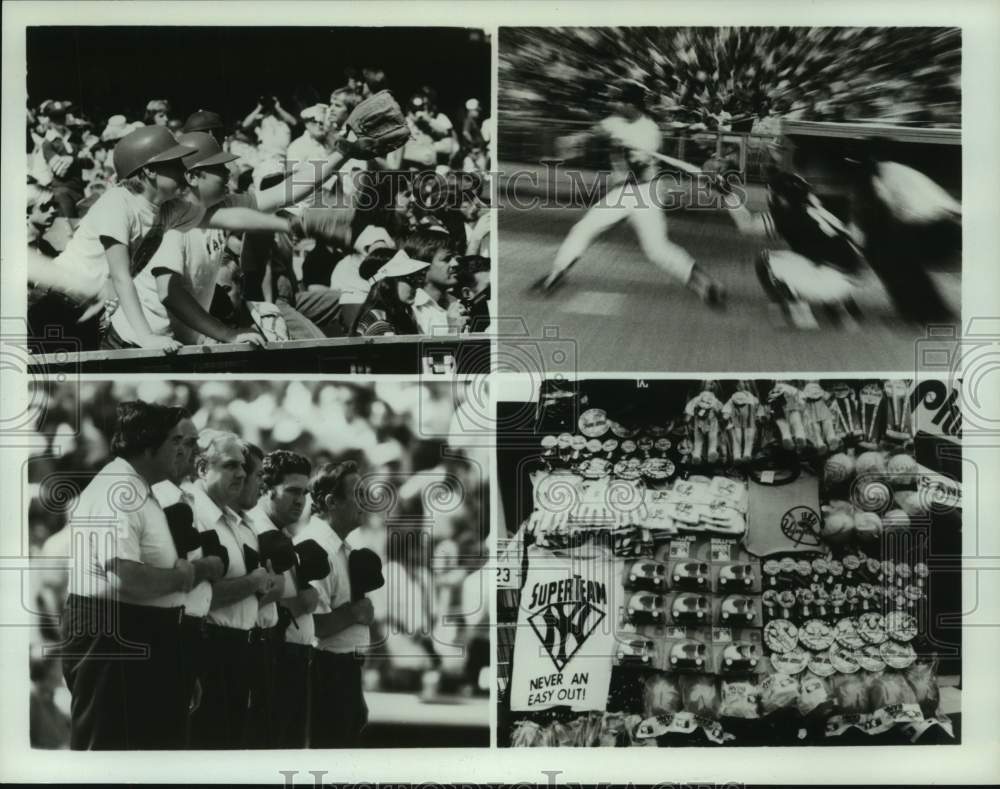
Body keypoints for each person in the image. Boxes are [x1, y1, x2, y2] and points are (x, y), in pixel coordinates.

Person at [58, 401, 210, 749]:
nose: (186, 451)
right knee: (109, 759)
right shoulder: (117, 491)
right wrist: (185, 576)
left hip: (145, 639)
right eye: (176, 442)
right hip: (113, 642)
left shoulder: (141, 487)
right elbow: (127, 578)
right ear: (147, 444)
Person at [535, 81, 725, 307]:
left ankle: (706, 283)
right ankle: (556, 275)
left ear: (631, 105)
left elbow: (638, 172)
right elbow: (599, 131)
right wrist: (577, 139)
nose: (613, 104)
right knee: (583, 229)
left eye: (618, 101)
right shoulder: (617, 121)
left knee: (657, 250)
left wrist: (624, 147)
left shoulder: (649, 132)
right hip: (623, 193)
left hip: (645, 192)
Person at [27, 125, 198, 351]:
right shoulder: (118, 201)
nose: (183, 169)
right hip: (55, 303)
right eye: (174, 163)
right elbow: (120, 276)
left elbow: (221, 210)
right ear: (150, 171)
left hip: (87, 309)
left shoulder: (165, 207)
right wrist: (146, 337)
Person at [187, 432, 278, 749]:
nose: (240, 473)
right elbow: (200, 596)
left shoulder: (234, 519)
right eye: (230, 466)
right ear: (201, 468)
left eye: (242, 466)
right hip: (209, 647)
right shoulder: (195, 515)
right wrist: (253, 582)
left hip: (240, 648)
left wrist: (259, 584)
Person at [150, 413, 226, 747]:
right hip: (165, 630)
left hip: (189, 632)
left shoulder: (187, 499)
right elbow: (174, 575)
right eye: (187, 442)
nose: (193, 451)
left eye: (195, 443)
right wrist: (207, 568)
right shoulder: (161, 496)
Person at [244, 450, 324, 748]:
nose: (301, 500)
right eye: (292, 491)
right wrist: (297, 604)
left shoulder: (281, 532)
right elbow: (245, 601)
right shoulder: (255, 530)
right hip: (269, 657)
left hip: (290, 659)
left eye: (304, 492)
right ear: (266, 489)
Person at [302, 461, 375, 747]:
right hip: (323, 671)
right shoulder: (315, 547)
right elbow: (314, 625)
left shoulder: (341, 547)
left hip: (345, 671)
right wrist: (356, 611)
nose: (365, 502)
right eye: (357, 494)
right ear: (332, 502)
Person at [351, 250, 429, 336]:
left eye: (416, 278)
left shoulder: (398, 317)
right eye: (409, 278)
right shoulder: (380, 324)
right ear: (387, 282)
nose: (416, 285)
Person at [406, 231, 468, 335]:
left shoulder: (456, 301)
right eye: (447, 259)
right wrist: (453, 332)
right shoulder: (413, 309)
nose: (455, 263)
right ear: (423, 267)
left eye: (455, 258)